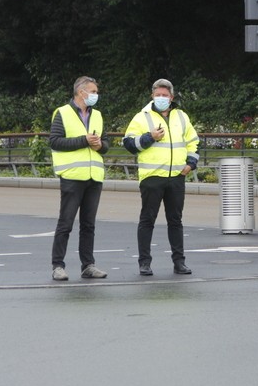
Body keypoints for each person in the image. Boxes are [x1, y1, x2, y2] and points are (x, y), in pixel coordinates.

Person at [123, 78, 199, 276]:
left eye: (165, 95)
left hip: (176, 176)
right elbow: (129, 143)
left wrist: (190, 163)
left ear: (171, 97)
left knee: (176, 221)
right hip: (152, 176)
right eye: (158, 95)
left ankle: (179, 262)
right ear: (152, 96)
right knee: (147, 220)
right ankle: (144, 263)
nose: (161, 98)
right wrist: (150, 137)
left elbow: (193, 141)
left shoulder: (181, 116)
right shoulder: (141, 117)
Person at [49, 77, 109, 281]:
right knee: (65, 223)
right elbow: (55, 142)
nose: (95, 95)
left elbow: (106, 144)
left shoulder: (98, 115)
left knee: (89, 224)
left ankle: (88, 265)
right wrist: (84, 141)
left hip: (94, 176)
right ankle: (58, 265)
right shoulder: (62, 113)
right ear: (80, 92)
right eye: (92, 91)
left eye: (96, 91)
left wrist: (99, 145)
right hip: (72, 176)